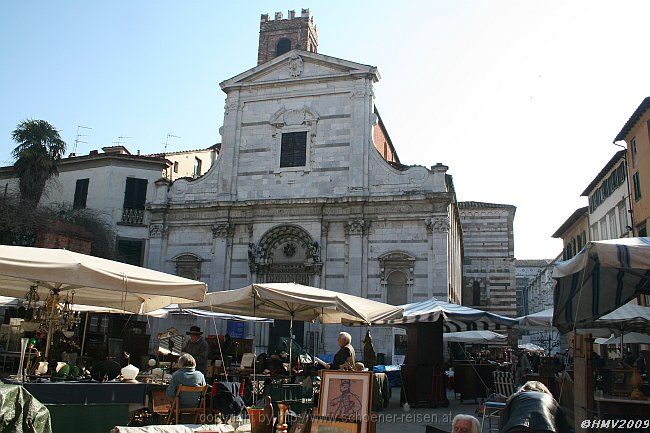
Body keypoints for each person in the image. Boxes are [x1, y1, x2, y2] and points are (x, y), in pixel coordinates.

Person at [499, 381, 570, 433]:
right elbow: (563, 425)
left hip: (517, 429)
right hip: (546, 429)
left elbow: (503, 421)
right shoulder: (550, 399)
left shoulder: (515, 398)